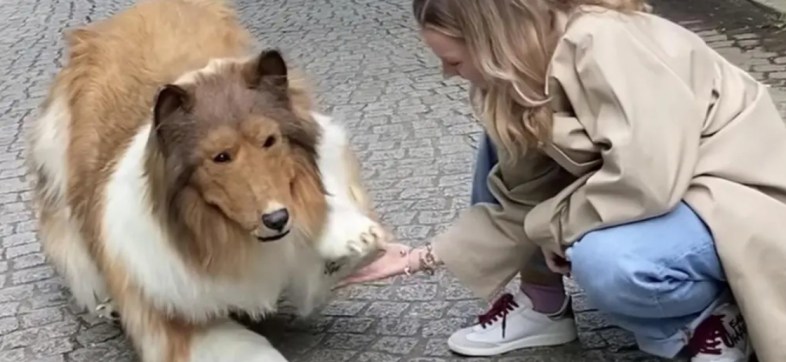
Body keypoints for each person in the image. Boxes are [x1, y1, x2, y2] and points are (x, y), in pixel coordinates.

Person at [341, 0, 786, 361]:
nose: (448, 73)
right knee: (503, 146)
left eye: (454, 60)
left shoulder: (604, 40)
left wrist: (555, 226)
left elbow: (646, 179)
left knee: (609, 260)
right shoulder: (520, 78)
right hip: (672, 190)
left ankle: (707, 323)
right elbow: (518, 197)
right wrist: (420, 258)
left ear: (493, 41)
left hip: (735, 192)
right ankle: (543, 305)